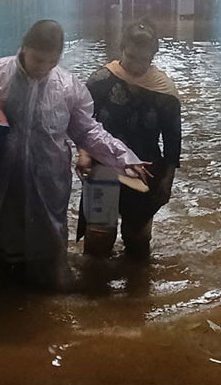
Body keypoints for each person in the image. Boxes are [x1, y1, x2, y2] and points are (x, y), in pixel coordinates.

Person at [0, 20, 148, 290]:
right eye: (37, 59)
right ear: (24, 48)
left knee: (46, 244)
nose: (42, 68)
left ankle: (46, 294)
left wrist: (125, 157)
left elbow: (88, 131)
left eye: (51, 62)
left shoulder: (67, 86)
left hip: (46, 181)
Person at [76, 20, 181, 259]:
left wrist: (168, 178)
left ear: (153, 57)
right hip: (102, 167)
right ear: (122, 49)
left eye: (143, 60)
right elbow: (82, 123)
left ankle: (137, 292)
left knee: (138, 242)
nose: (135, 66)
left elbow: (172, 139)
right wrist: (83, 154)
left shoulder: (164, 92)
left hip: (145, 171)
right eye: (130, 57)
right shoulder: (100, 82)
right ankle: (96, 292)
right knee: (98, 241)